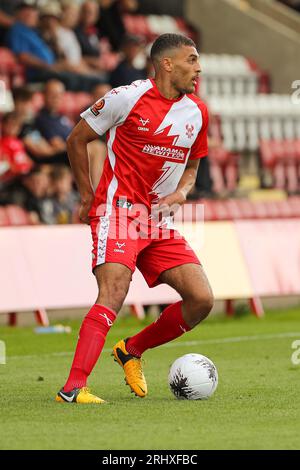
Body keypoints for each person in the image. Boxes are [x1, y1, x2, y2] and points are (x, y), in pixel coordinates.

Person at [56, 33, 214, 404]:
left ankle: (130, 349)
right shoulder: (127, 97)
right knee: (113, 292)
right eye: (191, 60)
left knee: (201, 299)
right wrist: (86, 196)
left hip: (156, 219)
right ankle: (72, 388)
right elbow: (77, 139)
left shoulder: (198, 112)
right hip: (118, 209)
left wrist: (183, 192)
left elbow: (193, 164)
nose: (199, 68)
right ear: (167, 64)